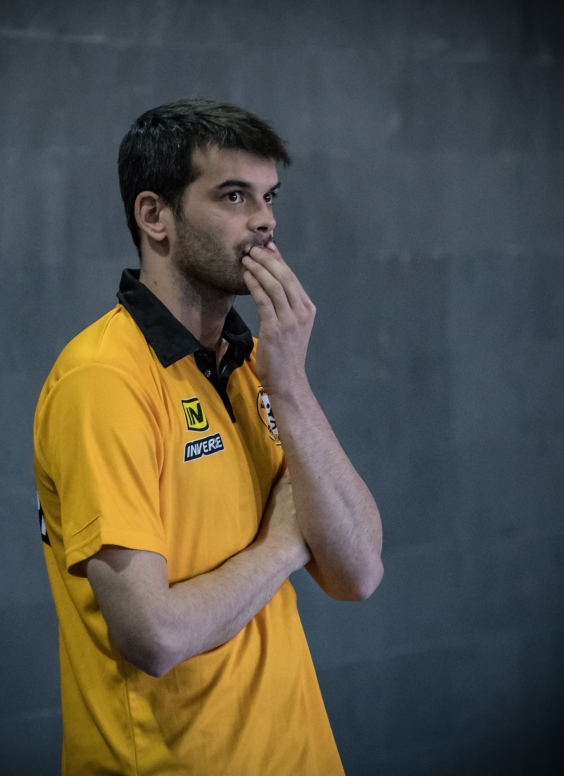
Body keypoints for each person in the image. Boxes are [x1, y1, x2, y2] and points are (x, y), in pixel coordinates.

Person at [33, 99, 383, 775]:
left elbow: (360, 571)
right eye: (234, 196)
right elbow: (153, 635)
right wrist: (283, 547)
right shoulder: (104, 379)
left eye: (269, 198)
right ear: (154, 216)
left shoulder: (258, 367)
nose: (265, 221)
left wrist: (291, 386)